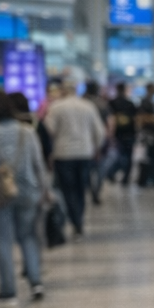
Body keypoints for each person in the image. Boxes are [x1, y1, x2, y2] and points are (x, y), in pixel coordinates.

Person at [0, 90, 47, 302]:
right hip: (28, 191)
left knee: (3, 240)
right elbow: (38, 164)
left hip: (0, 193)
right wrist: (45, 190)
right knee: (28, 236)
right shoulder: (27, 131)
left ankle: (8, 289)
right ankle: (36, 282)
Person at [44, 82, 104, 236]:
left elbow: (49, 129)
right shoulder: (88, 106)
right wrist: (97, 147)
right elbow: (99, 131)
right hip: (85, 152)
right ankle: (79, 218)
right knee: (81, 188)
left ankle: (75, 219)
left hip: (63, 153)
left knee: (67, 189)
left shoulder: (56, 107)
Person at [104, 82, 138, 186]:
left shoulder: (112, 103)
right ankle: (125, 178)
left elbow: (109, 120)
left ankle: (111, 173)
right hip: (129, 134)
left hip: (117, 134)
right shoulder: (130, 104)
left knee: (116, 156)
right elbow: (135, 119)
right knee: (128, 156)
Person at [136, 88, 154, 188]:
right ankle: (145, 179)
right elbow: (142, 117)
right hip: (147, 133)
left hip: (151, 133)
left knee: (152, 157)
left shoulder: (151, 101)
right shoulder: (145, 102)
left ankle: (151, 178)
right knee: (147, 157)